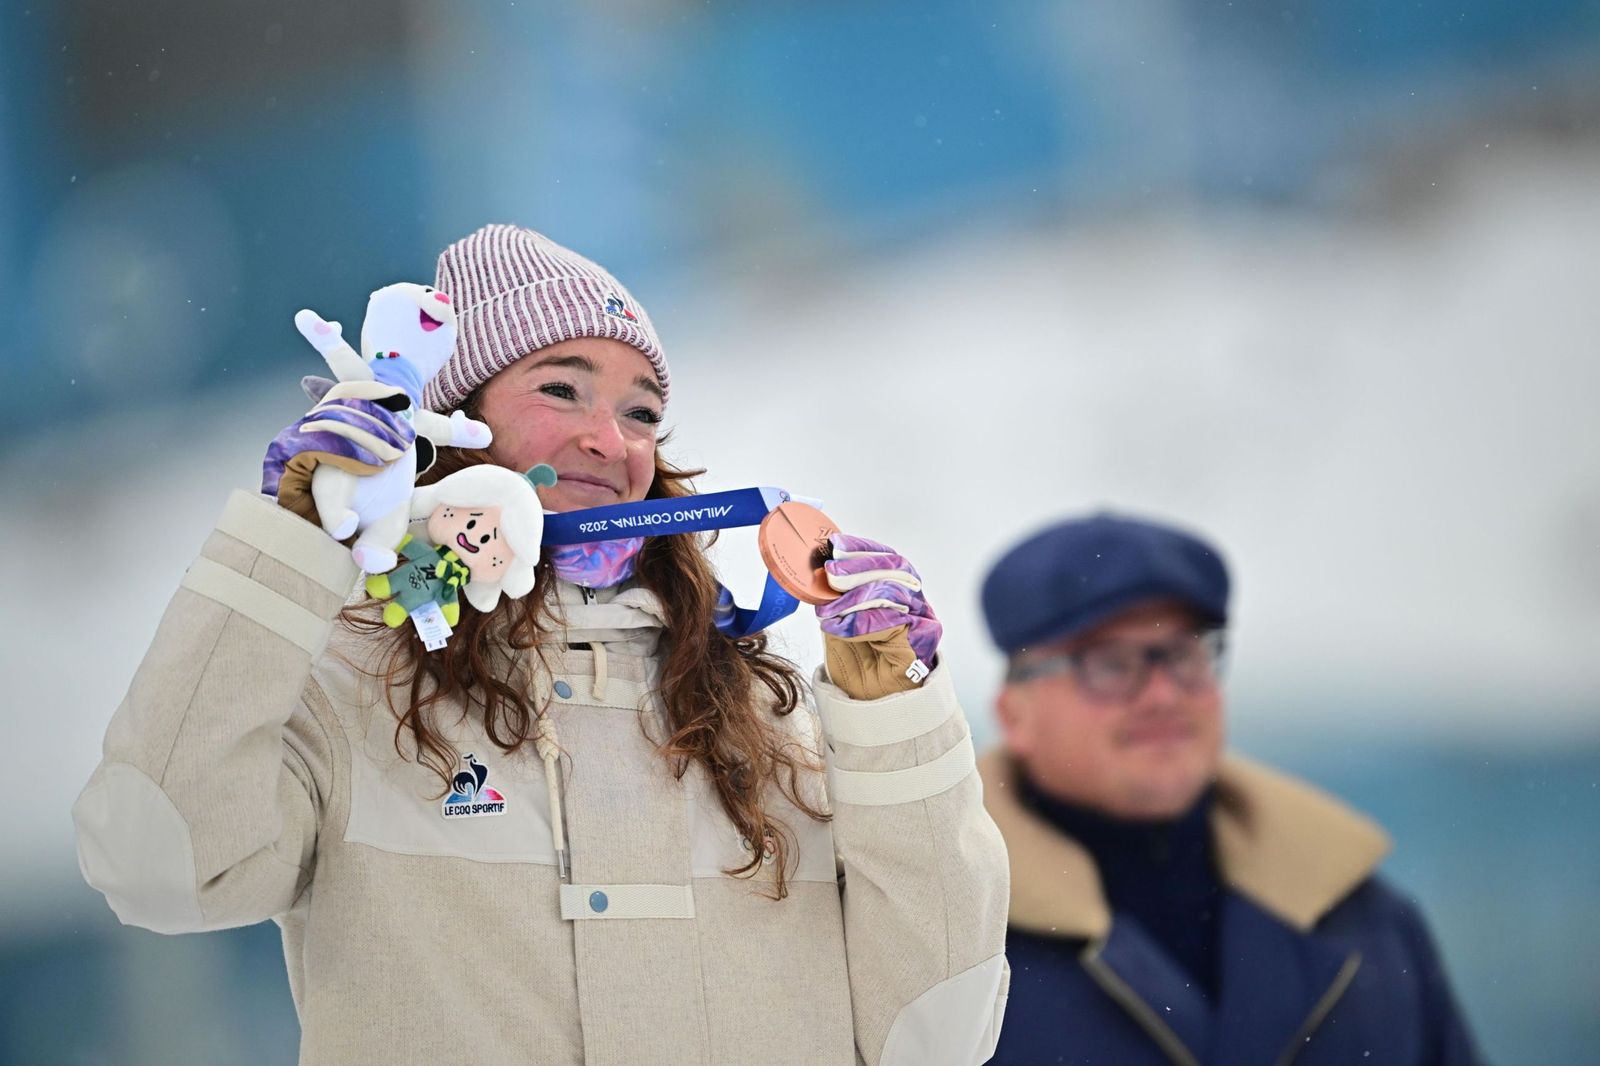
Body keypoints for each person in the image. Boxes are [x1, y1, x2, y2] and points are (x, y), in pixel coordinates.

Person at [72, 224, 1009, 1066]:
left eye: (642, 412)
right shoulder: (345, 686)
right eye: (562, 389)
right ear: (450, 426)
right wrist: (286, 551)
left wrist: (897, 718)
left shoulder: (765, 715)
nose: (611, 438)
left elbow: (936, 1036)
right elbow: (159, 868)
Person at [977, 513, 1482, 1066]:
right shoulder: (948, 944)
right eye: (1111, 664)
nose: (1164, 694)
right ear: (1013, 714)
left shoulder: (1368, 924)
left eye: (1187, 655)